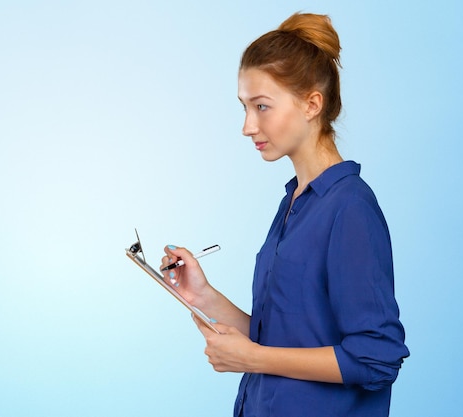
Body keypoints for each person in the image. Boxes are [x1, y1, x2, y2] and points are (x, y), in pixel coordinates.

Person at [159, 12, 409, 417]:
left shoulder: (350, 209)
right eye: (244, 107)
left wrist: (252, 359)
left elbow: (376, 358)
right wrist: (202, 296)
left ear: (312, 104)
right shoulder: (294, 202)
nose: (247, 126)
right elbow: (286, 337)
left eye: (261, 106)